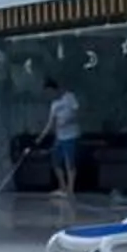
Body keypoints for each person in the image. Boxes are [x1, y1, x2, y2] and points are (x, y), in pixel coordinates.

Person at [44, 76, 82, 208]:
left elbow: (78, 113)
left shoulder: (69, 97)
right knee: (56, 162)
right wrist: (41, 136)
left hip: (71, 135)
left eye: (50, 92)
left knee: (69, 162)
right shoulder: (53, 105)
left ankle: (70, 189)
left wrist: (68, 120)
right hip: (59, 137)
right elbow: (50, 122)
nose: (49, 95)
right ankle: (63, 187)